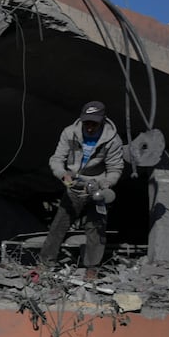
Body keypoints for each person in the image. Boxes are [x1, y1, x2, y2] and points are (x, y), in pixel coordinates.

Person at [38, 99, 124, 278]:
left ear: (102, 120)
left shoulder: (112, 140)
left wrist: (105, 184)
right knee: (59, 224)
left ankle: (92, 267)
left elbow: (115, 169)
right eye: (87, 123)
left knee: (96, 227)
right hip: (74, 185)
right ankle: (45, 264)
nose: (90, 127)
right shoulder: (70, 133)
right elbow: (56, 158)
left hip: (96, 187)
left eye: (94, 124)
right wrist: (63, 174)